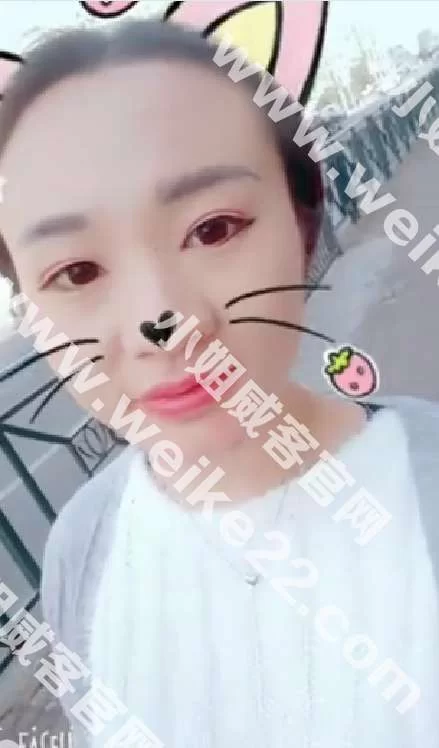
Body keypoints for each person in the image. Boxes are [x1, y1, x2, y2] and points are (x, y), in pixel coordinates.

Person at [0, 16, 438, 748]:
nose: (162, 322)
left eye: (213, 229)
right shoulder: (82, 546)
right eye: (76, 272)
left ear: (303, 221)